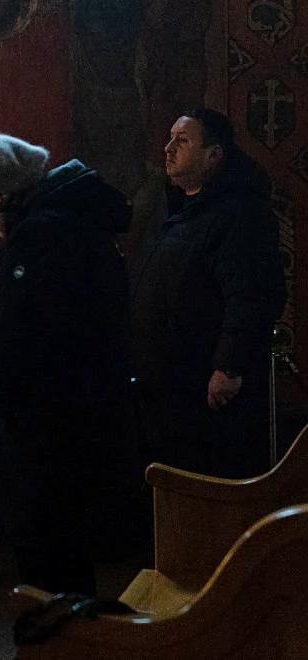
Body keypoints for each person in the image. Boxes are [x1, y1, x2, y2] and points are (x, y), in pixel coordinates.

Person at [0, 133, 137, 596]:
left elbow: (10, 334)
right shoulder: (69, 226)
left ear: (0, 194)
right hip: (76, 422)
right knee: (62, 564)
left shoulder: (41, 237)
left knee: (48, 567)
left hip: (47, 433)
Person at [131, 108, 285, 479]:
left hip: (204, 392)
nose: (168, 148)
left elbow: (251, 293)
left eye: (182, 141)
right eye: (169, 138)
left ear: (213, 155)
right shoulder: (186, 213)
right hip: (171, 389)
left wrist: (228, 366)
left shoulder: (239, 214)